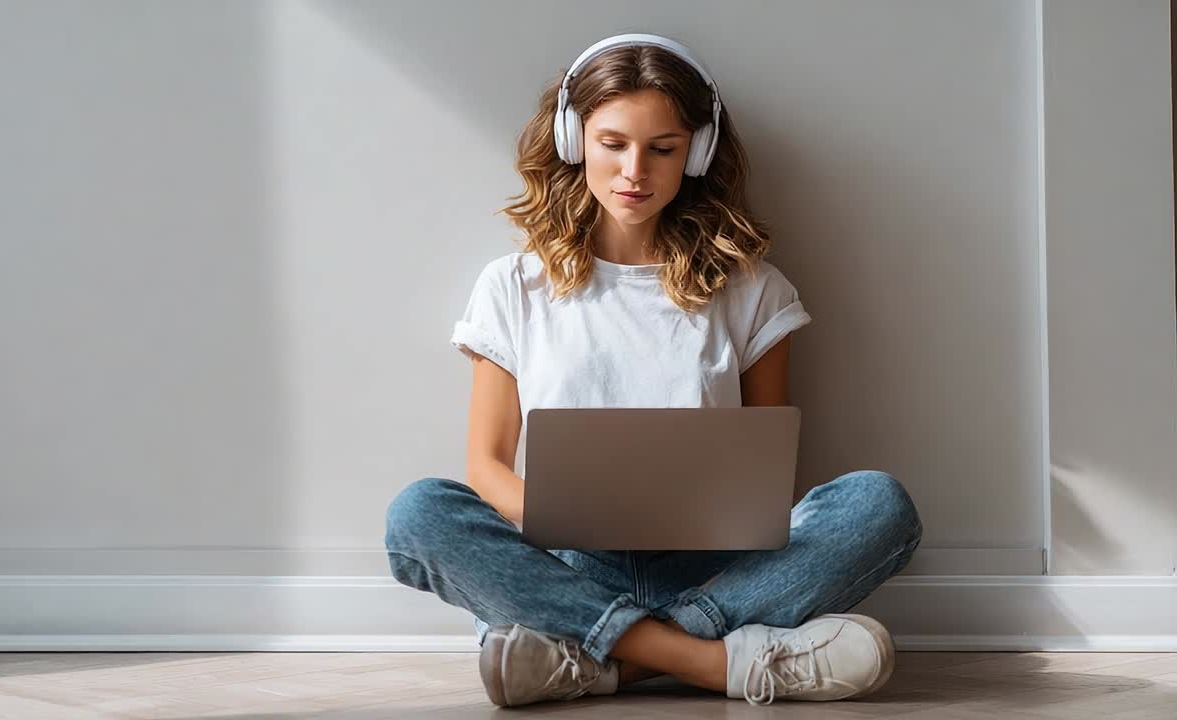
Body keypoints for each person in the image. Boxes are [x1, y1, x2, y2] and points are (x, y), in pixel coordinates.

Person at [384, 33, 923, 708]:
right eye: (613, 144)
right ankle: (718, 663)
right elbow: (487, 468)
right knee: (419, 514)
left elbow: (767, 467)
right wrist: (573, 517)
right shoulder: (511, 287)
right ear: (576, 141)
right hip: (568, 571)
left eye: (662, 148)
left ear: (696, 153)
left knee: (879, 505)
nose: (634, 169)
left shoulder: (755, 291)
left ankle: (598, 661)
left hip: (714, 574)